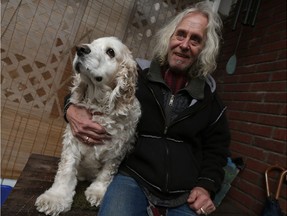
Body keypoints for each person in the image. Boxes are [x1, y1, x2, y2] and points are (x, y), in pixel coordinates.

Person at [64, 1, 230, 216]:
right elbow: (88, 90)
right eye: (180, 35)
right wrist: (70, 109)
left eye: (195, 40)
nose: (185, 44)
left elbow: (217, 151)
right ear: (169, 38)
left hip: (185, 193)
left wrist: (206, 186)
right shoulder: (136, 75)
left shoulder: (211, 101)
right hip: (133, 177)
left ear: (204, 49)